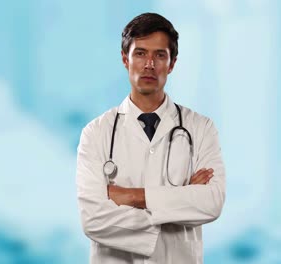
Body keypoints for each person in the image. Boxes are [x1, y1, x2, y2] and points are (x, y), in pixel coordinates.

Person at [76, 13, 226, 263]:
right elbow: (92, 219)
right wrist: (180, 201)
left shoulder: (200, 128)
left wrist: (131, 196)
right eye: (140, 53)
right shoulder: (96, 133)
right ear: (125, 59)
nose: (149, 64)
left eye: (159, 55)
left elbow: (211, 202)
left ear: (172, 63)